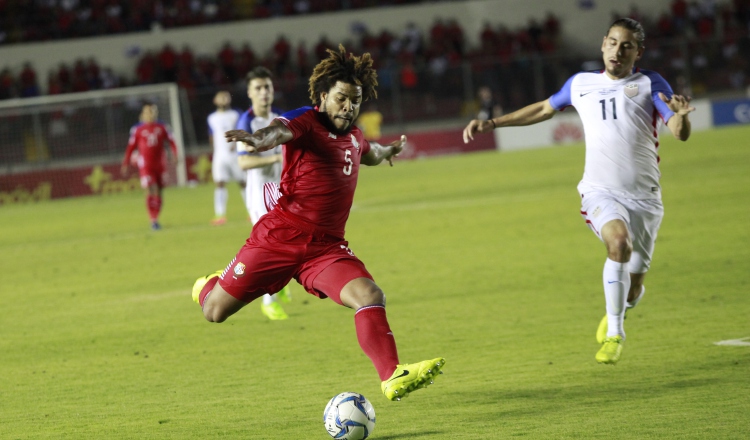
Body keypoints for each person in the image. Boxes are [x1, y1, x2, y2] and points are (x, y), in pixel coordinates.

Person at [191, 45, 445, 400]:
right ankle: (208, 284)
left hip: (325, 248)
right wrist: (258, 139)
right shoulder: (306, 121)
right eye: (342, 98)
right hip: (277, 237)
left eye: (355, 100)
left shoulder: (355, 137)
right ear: (323, 96)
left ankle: (392, 375)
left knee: (370, 295)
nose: (349, 106)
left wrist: (389, 151)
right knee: (213, 311)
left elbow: (370, 153)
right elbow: (277, 132)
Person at [463, 18, 695, 364]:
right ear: (603, 44)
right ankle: (615, 333)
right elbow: (544, 108)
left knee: (632, 286)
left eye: (627, 45)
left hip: (645, 198)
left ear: (638, 52)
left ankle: (623, 305)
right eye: (613, 42)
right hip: (600, 191)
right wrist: (493, 123)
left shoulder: (649, 82)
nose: (618, 50)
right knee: (618, 243)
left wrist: (682, 116)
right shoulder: (581, 83)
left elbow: (678, 130)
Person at [235, 66, 291, 320]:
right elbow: (243, 163)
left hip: (281, 188)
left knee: (290, 237)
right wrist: (275, 158)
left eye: (267, 87)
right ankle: (269, 301)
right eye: (258, 88)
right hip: (259, 192)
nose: (264, 92)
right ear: (249, 92)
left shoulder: (279, 118)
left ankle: (282, 282)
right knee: (272, 244)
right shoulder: (245, 123)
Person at [121, 102, 178, 230]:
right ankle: (153, 219)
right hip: (146, 164)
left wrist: (175, 155)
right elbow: (131, 147)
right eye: (147, 112)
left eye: (152, 112)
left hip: (160, 163)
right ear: (143, 114)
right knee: (151, 188)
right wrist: (125, 162)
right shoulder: (137, 129)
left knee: (159, 191)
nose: (150, 114)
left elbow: (172, 142)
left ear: (155, 113)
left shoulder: (163, 127)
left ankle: (156, 217)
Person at [207, 91, 245, 226]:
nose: (223, 99)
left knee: (243, 182)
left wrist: (237, 144)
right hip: (220, 155)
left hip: (235, 154)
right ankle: (220, 214)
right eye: (220, 97)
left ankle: (251, 211)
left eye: (226, 96)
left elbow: (242, 129)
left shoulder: (236, 114)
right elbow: (211, 136)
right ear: (215, 100)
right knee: (219, 183)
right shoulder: (211, 118)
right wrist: (214, 151)